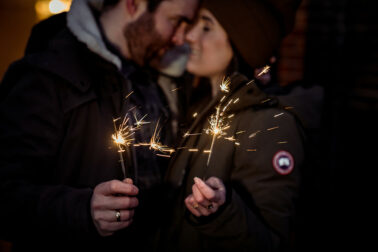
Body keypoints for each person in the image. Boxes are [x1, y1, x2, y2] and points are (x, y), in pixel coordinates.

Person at [0, 0, 199, 251]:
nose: (181, 38)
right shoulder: (46, 76)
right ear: (132, 5)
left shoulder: (160, 74)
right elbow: (5, 196)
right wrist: (83, 211)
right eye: (176, 21)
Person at [158, 0, 304, 251]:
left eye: (206, 27)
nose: (190, 35)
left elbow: (271, 243)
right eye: (194, 23)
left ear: (243, 44)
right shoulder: (200, 109)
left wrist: (220, 213)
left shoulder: (270, 125)